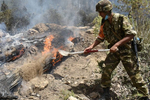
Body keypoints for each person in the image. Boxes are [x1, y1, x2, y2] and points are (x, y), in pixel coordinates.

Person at [84, 0, 149, 100]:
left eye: (100, 12)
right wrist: (92, 46)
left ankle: (145, 96)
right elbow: (101, 37)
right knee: (106, 70)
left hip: (127, 50)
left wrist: (117, 44)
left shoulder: (121, 19)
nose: (99, 14)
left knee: (134, 74)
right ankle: (106, 94)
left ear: (106, 11)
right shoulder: (104, 23)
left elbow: (131, 34)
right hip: (114, 51)